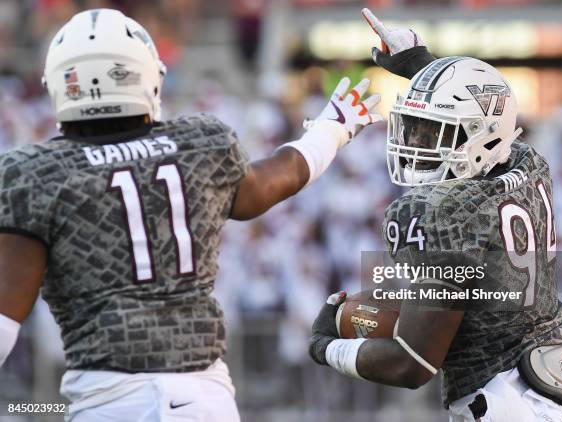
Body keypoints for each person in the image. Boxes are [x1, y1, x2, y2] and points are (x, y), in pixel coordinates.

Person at [0, 8, 382, 422]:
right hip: (204, 398)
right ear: (147, 75)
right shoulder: (199, 145)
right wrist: (333, 128)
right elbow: (275, 179)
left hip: (109, 399)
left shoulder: (35, 173)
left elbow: (5, 316)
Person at [308, 9, 562, 421]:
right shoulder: (528, 162)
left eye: (432, 132)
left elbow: (412, 363)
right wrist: (420, 64)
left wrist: (327, 347)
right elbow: (491, 115)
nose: (416, 143)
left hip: (502, 405)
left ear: (479, 136)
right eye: (415, 128)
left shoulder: (441, 211)